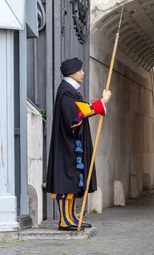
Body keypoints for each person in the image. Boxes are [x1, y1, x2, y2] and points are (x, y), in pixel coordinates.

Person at [46, 58, 111, 231]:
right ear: (71, 72)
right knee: (65, 182)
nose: (83, 73)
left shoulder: (71, 90)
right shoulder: (66, 92)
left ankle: (72, 217)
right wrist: (101, 103)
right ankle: (64, 220)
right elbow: (75, 116)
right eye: (80, 70)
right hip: (66, 145)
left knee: (74, 181)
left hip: (74, 144)